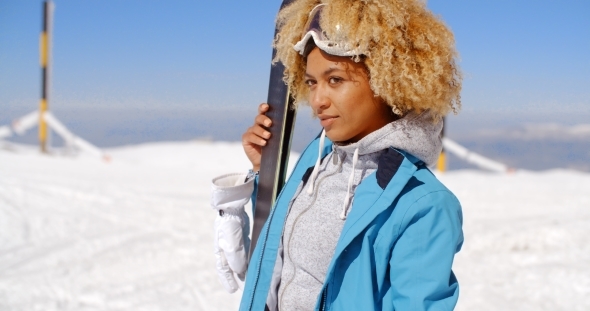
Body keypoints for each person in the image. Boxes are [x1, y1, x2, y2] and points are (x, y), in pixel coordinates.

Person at [210, 1, 463, 310]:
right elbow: (280, 261)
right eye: (311, 83)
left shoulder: (424, 205)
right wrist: (265, 170)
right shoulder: (318, 161)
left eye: (335, 80)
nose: (317, 101)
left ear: (387, 81)